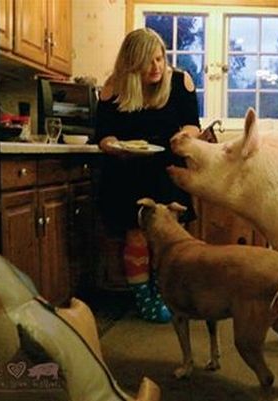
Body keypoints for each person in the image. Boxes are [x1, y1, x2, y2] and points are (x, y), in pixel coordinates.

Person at [94, 28, 200, 323]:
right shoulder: (113, 87)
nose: (156, 67)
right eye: (147, 61)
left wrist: (184, 136)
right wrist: (115, 146)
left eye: (160, 59)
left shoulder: (180, 81)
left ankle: (166, 293)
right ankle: (146, 300)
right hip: (127, 173)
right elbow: (103, 136)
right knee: (137, 235)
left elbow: (193, 125)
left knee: (169, 237)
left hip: (166, 170)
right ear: (130, 63)